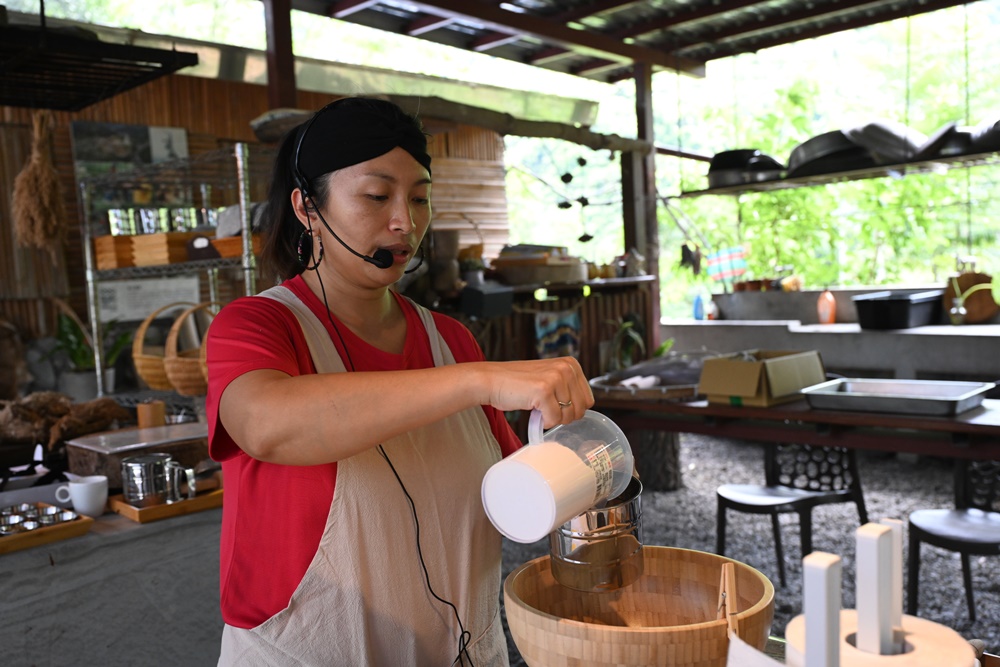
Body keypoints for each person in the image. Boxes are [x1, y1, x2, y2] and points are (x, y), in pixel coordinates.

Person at [205, 96, 594, 666]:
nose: (404, 223)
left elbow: (505, 496)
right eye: (376, 195)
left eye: (419, 198)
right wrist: (476, 381)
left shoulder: (449, 342)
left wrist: (579, 473)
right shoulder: (260, 325)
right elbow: (267, 424)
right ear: (307, 208)